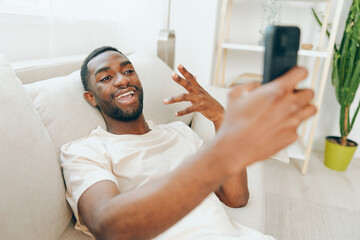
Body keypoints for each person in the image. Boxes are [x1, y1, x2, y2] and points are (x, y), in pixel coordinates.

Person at [60, 46, 316, 240]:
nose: (122, 80)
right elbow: (108, 225)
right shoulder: (85, 150)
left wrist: (221, 118)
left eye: (128, 71)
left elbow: (236, 198)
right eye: (106, 78)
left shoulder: (179, 133)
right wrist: (226, 151)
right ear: (91, 98)